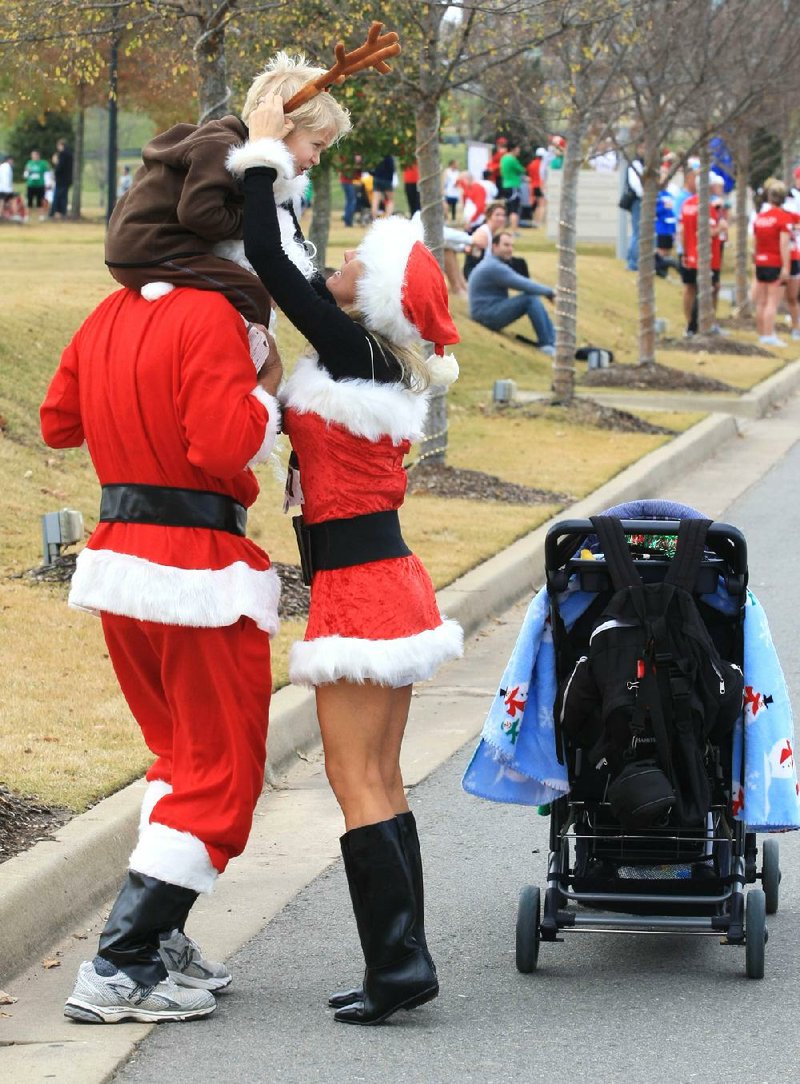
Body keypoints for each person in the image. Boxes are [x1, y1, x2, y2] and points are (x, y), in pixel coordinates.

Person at [243, 94, 463, 1026]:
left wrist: (259, 153)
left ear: (367, 294)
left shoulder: (354, 351)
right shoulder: (363, 359)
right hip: (384, 582)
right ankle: (399, 963)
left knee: (356, 779)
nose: (334, 263)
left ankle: (400, 967)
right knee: (376, 778)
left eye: (352, 262)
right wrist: (284, 167)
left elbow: (267, 262)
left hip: (363, 590)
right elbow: (287, 256)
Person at [41, 248, 284, 1024]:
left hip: (121, 566)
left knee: (180, 759)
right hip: (199, 571)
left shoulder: (109, 312)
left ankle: (158, 940)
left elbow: (58, 423)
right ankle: (122, 962)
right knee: (220, 772)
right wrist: (265, 395)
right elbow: (222, 443)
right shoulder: (210, 314)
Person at [104, 52, 351, 326]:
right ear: (283, 124)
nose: (316, 159)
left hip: (154, 250)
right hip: (154, 251)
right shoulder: (221, 148)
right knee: (253, 292)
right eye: (316, 146)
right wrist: (256, 222)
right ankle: (252, 361)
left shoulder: (229, 145)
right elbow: (199, 213)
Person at [468, 228, 556, 356]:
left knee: (530, 297)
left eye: (512, 246)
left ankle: (553, 342)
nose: (510, 249)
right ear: (494, 246)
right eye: (506, 245)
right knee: (530, 299)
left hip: (487, 311)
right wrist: (550, 292)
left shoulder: (493, 263)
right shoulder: (494, 266)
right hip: (485, 315)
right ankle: (547, 345)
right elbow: (523, 284)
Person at [678, 175, 724, 337]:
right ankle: (699, 325)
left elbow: (682, 230)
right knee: (707, 288)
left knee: (690, 287)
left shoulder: (687, 204)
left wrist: (684, 251)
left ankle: (690, 324)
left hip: (690, 252)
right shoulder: (706, 207)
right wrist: (722, 227)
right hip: (706, 256)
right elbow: (709, 232)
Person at [752, 179, 794, 346]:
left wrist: (756, 259)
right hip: (774, 262)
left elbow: (755, 242)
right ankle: (769, 334)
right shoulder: (783, 218)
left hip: (761, 261)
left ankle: (762, 333)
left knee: (761, 302)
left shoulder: (760, 218)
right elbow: (784, 244)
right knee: (772, 302)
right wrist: (786, 267)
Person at [463, 200, 507, 278]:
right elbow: (474, 260)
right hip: (476, 275)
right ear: (488, 216)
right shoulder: (483, 234)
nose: (501, 218)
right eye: (497, 215)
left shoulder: (493, 232)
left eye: (503, 215)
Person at [498, 143, 525, 233]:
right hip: (513, 185)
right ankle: (515, 231)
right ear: (513, 149)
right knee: (514, 209)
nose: (519, 151)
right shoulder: (512, 159)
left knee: (506, 208)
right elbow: (521, 169)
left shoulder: (503, 158)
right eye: (518, 149)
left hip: (505, 185)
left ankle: (502, 230)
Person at [624, 149, 643, 271]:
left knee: (639, 232)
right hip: (638, 201)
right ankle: (633, 262)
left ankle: (635, 260)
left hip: (642, 200)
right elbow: (637, 186)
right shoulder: (636, 164)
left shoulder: (644, 163)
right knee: (638, 232)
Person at [48, 138, 73, 219]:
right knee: (64, 196)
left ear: (60, 145)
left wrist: (55, 162)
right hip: (67, 179)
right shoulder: (70, 154)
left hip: (61, 179)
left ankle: (53, 212)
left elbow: (60, 167)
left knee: (57, 196)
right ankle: (63, 212)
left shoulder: (63, 154)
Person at [339, 152, 362, 227]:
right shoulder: (348, 155)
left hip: (348, 181)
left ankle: (348, 220)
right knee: (351, 202)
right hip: (348, 181)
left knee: (350, 201)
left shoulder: (349, 154)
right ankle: (348, 222)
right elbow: (344, 167)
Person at [370, 153, 395, 218]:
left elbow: (371, 168)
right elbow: (392, 168)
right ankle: (387, 217)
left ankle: (374, 217)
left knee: (375, 200)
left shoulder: (376, 155)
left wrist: (374, 174)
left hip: (377, 179)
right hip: (387, 180)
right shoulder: (388, 156)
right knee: (390, 200)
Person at [526, 148, 546, 228]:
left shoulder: (531, 164)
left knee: (537, 205)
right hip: (541, 185)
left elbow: (530, 175)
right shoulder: (543, 164)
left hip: (533, 186)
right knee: (542, 205)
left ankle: (535, 221)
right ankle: (540, 222)